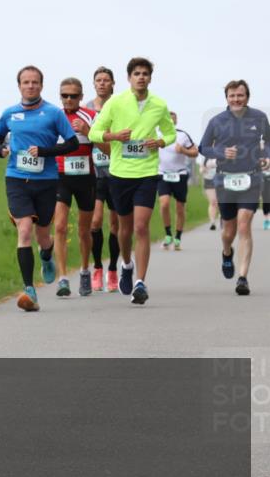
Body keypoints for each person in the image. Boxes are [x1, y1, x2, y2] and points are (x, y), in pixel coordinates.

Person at [88, 57, 176, 304]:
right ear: (129, 78)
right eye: (136, 73)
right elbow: (94, 132)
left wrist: (159, 142)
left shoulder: (158, 104)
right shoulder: (116, 102)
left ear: (150, 77)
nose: (141, 77)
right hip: (119, 174)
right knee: (123, 230)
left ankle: (140, 282)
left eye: (145, 73)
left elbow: (169, 134)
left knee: (140, 227)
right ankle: (126, 264)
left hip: (147, 173)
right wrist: (114, 135)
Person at [0, 66, 79, 312]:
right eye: (26, 82)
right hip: (17, 179)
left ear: (41, 85)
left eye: (35, 82)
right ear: (19, 85)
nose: (30, 86)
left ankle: (46, 255)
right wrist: (0, 150)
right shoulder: (10, 113)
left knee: (43, 235)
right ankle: (29, 289)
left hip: (47, 180)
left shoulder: (53, 113)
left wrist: (45, 152)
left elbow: (71, 143)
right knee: (25, 230)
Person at [199, 80, 270, 296]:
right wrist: (221, 153)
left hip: (251, 179)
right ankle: (227, 252)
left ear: (247, 96)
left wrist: (267, 156)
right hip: (225, 181)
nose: (236, 99)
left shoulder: (259, 117)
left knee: (243, 225)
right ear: (227, 98)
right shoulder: (217, 121)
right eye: (232, 96)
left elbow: (268, 142)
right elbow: (203, 148)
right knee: (228, 231)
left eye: (240, 95)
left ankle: (242, 277)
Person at [53, 78, 97, 297]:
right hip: (61, 176)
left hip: (85, 177)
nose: (68, 99)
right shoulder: (54, 116)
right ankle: (62, 278)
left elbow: (106, 147)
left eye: (73, 95)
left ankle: (84, 271)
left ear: (81, 96)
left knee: (83, 229)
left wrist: (88, 131)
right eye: (64, 95)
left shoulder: (91, 115)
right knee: (60, 226)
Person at [84, 67, 121, 292]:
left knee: (115, 224)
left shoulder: (119, 107)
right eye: (98, 80)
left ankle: (114, 269)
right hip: (93, 171)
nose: (102, 83)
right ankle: (97, 267)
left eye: (106, 80)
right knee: (95, 222)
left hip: (116, 171)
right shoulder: (86, 108)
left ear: (113, 83)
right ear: (94, 83)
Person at [157, 112, 199, 250]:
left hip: (179, 175)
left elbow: (195, 152)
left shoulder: (182, 135)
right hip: (162, 174)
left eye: (172, 120)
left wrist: (183, 151)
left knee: (180, 208)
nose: (169, 122)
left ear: (175, 122)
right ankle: (168, 234)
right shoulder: (156, 135)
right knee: (164, 204)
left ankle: (178, 237)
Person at [200, 156, 220, 230]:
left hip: (221, 180)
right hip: (209, 181)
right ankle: (212, 222)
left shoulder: (221, 153)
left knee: (220, 202)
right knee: (213, 202)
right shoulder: (205, 157)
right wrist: (203, 170)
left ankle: (222, 217)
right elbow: (201, 169)